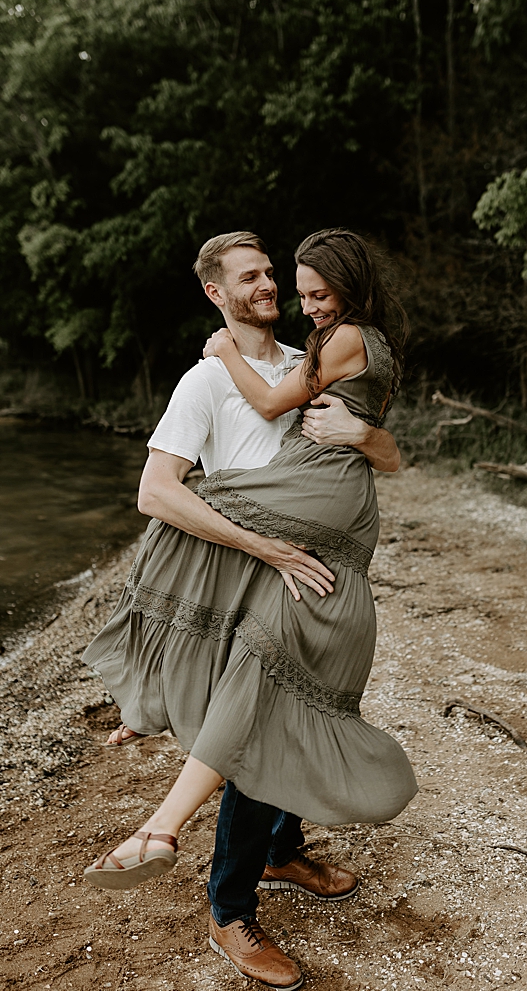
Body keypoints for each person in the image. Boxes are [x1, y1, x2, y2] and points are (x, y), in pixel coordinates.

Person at [77, 229, 417, 991]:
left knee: (290, 701)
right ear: (215, 294)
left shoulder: (313, 353)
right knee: (261, 708)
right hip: (251, 557)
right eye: (254, 278)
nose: (274, 289)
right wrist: (262, 545)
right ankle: (228, 909)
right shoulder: (203, 382)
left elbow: (389, 452)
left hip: (304, 554)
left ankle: (278, 850)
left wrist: (367, 435)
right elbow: (156, 492)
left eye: (278, 277)